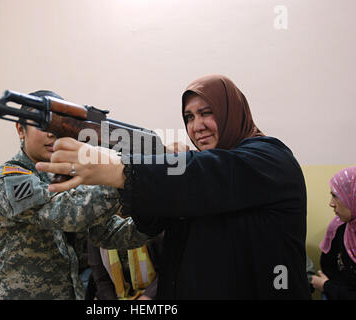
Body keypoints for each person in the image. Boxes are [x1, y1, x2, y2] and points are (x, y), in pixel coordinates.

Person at [36, 75, 311, 299]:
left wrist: (118, 168)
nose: (197, 126)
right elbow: (156, 218)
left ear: (232, 112)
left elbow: (205, 176)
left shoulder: (270, 158)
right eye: (189, 117)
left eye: (206, 113)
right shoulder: (194, 174)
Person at [0, 90, 148, 300]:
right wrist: (123, 172)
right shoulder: (3, 180)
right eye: (41, 124)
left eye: (59, 126)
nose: (51, 133)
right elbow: (63, 212)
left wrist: (158, 219)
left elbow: (108, 233)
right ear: (20, 130)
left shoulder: (65, 178)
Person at [311, 166, 356, 299]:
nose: (331, 203)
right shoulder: (339, 227)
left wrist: (327, 286)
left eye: (336, 196)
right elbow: (328, 268)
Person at [87, 231, 163, 300]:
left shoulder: (149, 225)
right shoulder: (97, 231)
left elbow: (167, 270)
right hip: (114, 296)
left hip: (153, 292)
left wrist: (147, 296)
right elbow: (101, 280)